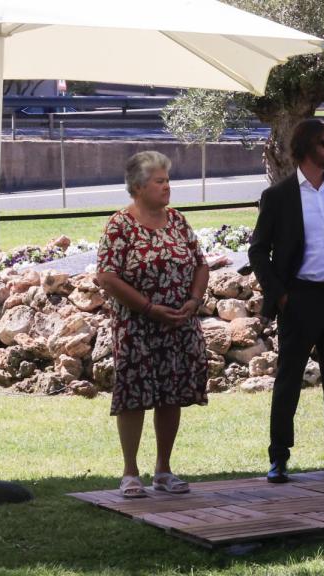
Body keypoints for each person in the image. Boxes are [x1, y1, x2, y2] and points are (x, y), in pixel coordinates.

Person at [247, 118, 324, 483]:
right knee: (289, 380)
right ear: (305, 148)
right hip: (299, 298)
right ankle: (279, 457)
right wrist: (281, 295)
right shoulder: (279, 196)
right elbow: (258, 251)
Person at [96, 151, 209, 498]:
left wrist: (193, 301)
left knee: (170, 394)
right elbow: (107, 277)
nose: (167, 187)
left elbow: (200, 264)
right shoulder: (120, 225)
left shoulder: (177, 221)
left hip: (178, 324)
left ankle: (163, 469)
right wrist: (148, 308)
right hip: (137, 328)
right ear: (138, 186)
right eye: (160, 181)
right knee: (134, 396)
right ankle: (130, 473)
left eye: (167, 180)